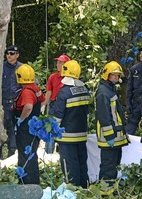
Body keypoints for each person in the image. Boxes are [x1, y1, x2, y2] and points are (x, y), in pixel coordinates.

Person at [52, 60, 90, 188]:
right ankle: (85, 189)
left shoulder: (64, 92)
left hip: (67, 136)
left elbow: (57, 116)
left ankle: (72, 191)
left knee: (69, 164)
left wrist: (51, 132)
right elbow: (87, 112)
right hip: (82, 134)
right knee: (81, 163)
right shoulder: (84, 89)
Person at [95, 61, 129, 186]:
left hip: (115, 136)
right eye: (113, 75)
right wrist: (109, 136)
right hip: (109, 137)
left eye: (118, 75)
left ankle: (110, 190)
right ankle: (105, 192)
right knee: (108, 167)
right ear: (106, 75)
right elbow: (104, 116)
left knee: (114, 166)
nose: (116, 78)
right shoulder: (103, 92)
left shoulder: (110, 89)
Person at [14, 64, 45, 184]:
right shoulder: (35, 88)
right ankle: (34, 181)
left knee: (25, 155)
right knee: (32, 154)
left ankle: (26, 182)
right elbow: (43, 101)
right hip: (34, 126)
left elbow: (28, 107)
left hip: (26, 128)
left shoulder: (27, 91)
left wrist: (21, 119)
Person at [42, 54, 70, 153]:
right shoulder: (53, 77)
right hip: (54, 105)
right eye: (58, 62)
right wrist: (44, 104)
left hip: (67, 105)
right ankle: (49, 153)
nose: (58, 64)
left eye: (60, 62)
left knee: (65, 129)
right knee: (50, 130)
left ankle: (63, 154)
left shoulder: (70, 77)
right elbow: (49, 91)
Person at [1, 45, 22, 158]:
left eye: (12, 53)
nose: (9, 55)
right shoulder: (1, 66)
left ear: (17, 55)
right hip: (3, 103)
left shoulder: (22, 68)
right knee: (2, 128)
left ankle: (12, 153)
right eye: (7, 53)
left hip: (16, 104)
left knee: (15, 128)